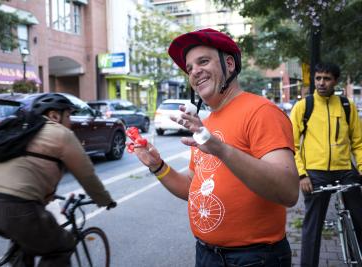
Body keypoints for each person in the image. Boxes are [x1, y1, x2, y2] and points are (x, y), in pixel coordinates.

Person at [131, 28, 299, 267]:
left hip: (255, 258)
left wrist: (220, 148)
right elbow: (192, 187)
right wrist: (157, 166)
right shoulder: (206, 124)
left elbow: (288, 191)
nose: (194, 71)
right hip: (207, 255)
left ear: (229, 64)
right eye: (189, 68)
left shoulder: (262, 112)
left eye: (203, 61)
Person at [0, 93, 117, 267]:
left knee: (26, 246)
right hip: (17, 208)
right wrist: (104, 200)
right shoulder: (62, 134)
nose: (70, 121)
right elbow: (87, 175)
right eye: (68, 115)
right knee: (62, 246)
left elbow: (24, 171)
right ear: (54, 116)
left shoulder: (22, 132)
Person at [290, 62, 362, 267]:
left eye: (327, 78)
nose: (321, 83)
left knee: (359, 219)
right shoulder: (305, 106)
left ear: (335, 81)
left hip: (345, 171)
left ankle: (356, 258)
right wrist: (302, 175)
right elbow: (291, 143)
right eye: (318, 78)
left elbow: (358, 142)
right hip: (315, 174)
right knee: (312, 227)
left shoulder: (347, 106)